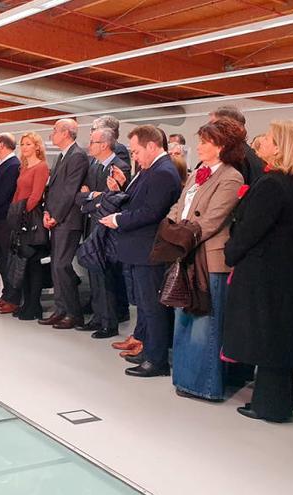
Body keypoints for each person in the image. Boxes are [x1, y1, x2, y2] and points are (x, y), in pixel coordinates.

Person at [223, 120, 293, 423]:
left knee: (267, 341)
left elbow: (250, 230)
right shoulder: (292, 182)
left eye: (267, 137)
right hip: (283, 274)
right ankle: (277, 401)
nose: (261, 141)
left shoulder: (272, 184)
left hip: (265, 274)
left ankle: (269, 405)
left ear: (280, 147)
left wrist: (231, 253)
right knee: (278, 340)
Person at [167, 119, 245, 401]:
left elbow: (212, 220)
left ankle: (204, 385)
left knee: (205, 327)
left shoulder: (231, 177)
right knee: (183, 319)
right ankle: (185, 379)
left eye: (205, 142)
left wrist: (178, 234)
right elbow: (179, 205)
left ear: (221, 146)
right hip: (187, 253)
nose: (198, 147)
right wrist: (173, 226)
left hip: (209, 259)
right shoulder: (198, 171)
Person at [101, 125, 182, 377]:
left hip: (149, 249)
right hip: (139, 248)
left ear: (151, 146)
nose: (134, 156)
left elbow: (151, 212)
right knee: (146, 307)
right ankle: (148, 351)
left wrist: (118, 220)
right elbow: (137, 200)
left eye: (136, 151)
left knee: (152, 307)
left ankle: (156, 360)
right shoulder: (151, 170)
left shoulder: (163, 172)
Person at [77, 127, 131, 338]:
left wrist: (92, 198)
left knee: (106, 276)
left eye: (92, 142)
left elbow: (114, 200)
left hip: (108, 229)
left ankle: (109, 322)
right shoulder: (94, 166)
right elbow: (80, 197)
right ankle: (98, 317)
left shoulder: (120, 167)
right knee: (94, 273)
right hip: (93, 225)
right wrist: (95, 197)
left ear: (105, 145)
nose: (89, 146)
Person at [39, 119, 88, 330]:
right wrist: (47, 211)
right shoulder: (62, 156)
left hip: (68, 220)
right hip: (57, 219)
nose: (52, 134)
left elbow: (70, 190)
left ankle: (73, 312)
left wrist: (56, 216)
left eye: (55, 130)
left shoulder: (77, 156)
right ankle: (61, 309)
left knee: (61, 265)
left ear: (66, 133)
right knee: (56, 267)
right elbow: (53, 189)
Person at [9, 132, 50, 320]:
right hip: (20, 216)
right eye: (22, 144)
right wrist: (14, 212)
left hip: (31, 219)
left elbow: (36, 195)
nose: (24, 147)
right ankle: (27, 303)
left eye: (28, 144)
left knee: (33, 264)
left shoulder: (41, 167)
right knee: (23, 262)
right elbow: (18, 192)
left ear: (37, 147)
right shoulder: (23, 167)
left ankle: (34, 305)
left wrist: (21, 212)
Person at [0, 133, 22, 314]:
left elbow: (4, 195)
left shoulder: (13, 165)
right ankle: (6, 294)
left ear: (2, 145)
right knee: (2, 259)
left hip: (5, 220)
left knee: (9, 260)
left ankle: (14, 298)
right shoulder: (3, 165)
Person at [210, 106, 265, 185]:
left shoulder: (233, 157)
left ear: (227, 125)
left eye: (213, 125)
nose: (209, 129)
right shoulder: (250, 154)